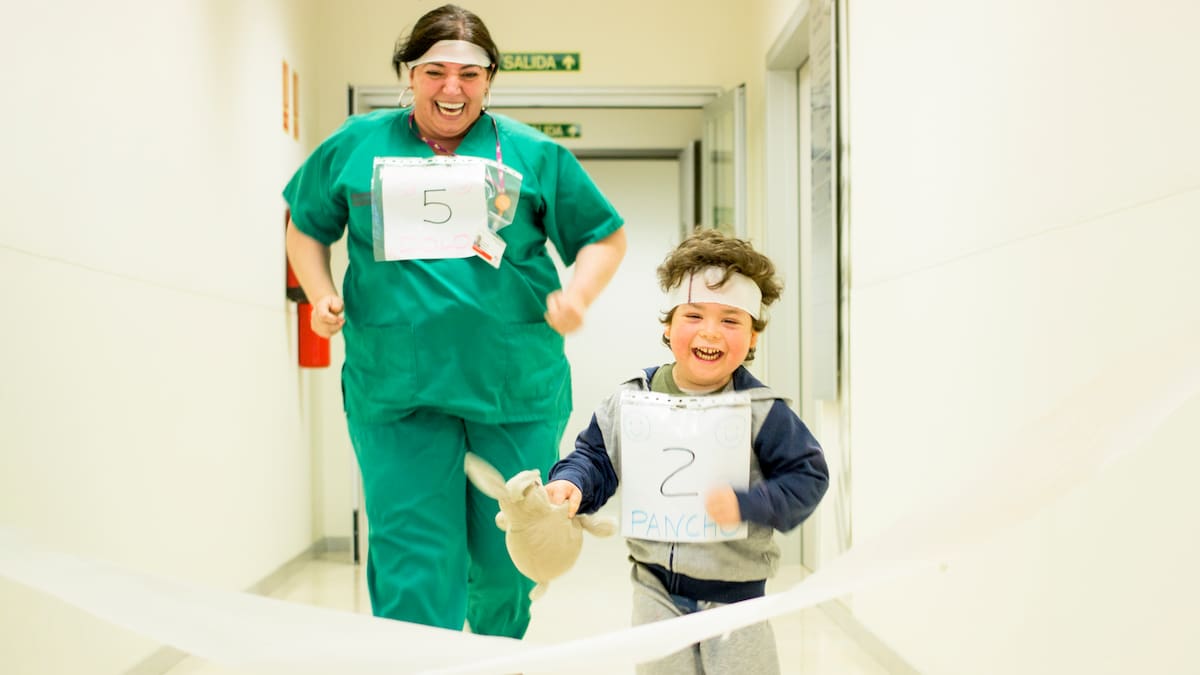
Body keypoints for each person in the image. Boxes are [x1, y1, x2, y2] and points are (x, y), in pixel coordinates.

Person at [282, 4, 626, 639]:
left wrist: (578, 294)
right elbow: (305, 227)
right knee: (414, 558)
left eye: (470, 73)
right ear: (408, 74)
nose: (452, 87)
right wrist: (320, 292)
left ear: (490, 78)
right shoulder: (356, 146)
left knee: (507, 558)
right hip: (396, 390)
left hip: (512, 387)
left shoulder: (532, 153)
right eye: (434, 70)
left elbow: (605, 237)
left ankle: (495, 653)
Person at [545, 229, 828, 674]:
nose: (711, 332)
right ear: (668, 326)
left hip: (737, 598)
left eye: (732, 320)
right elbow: (595, 457)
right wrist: (572, 482)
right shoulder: (631, 399)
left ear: (753, 338)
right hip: (653, 588)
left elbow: (808, 475)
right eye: (694, 315)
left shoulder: (763, 412)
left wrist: (749, 504)